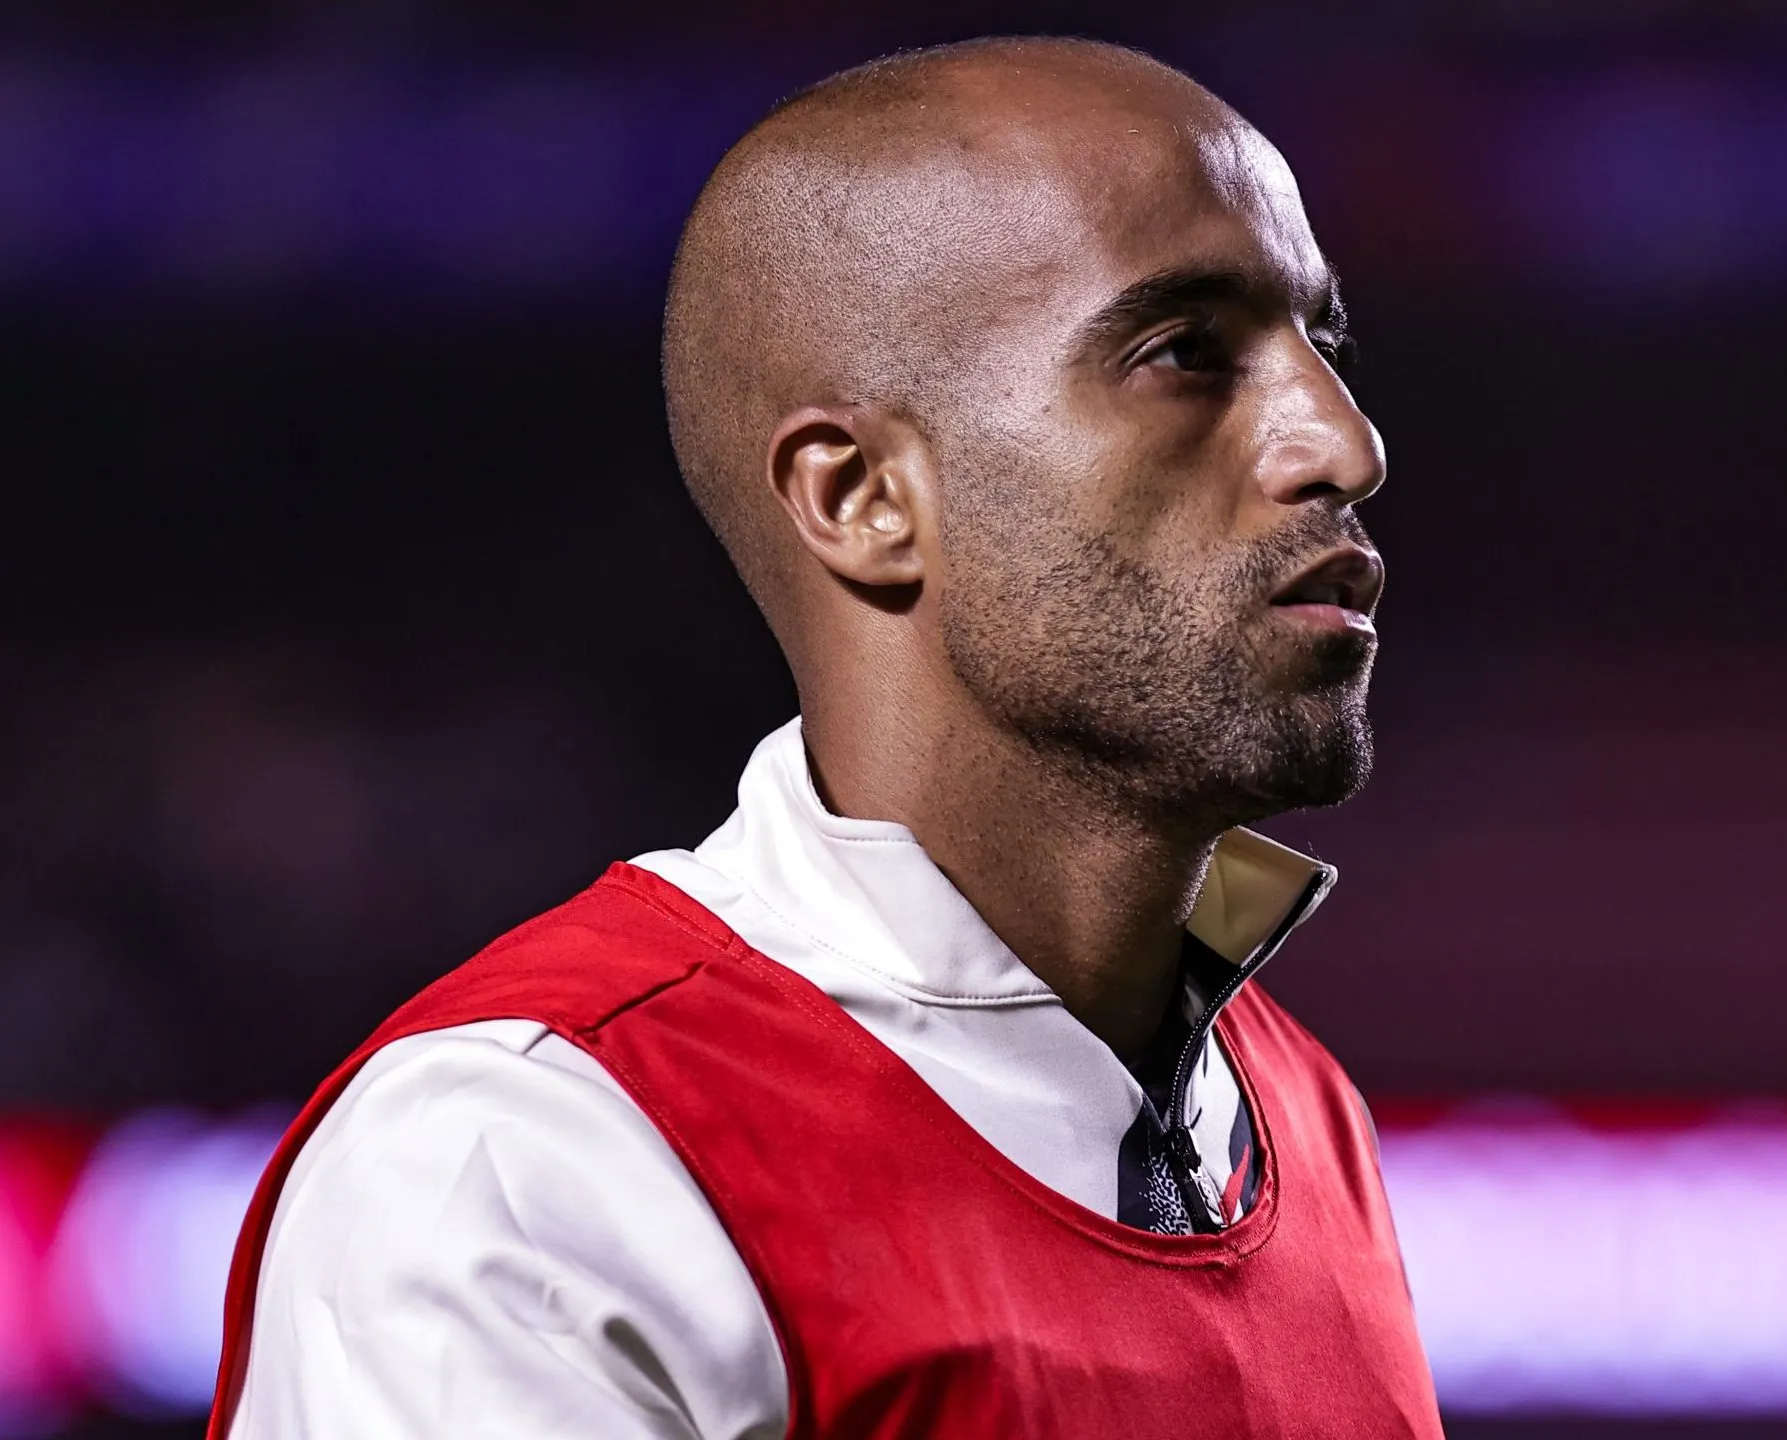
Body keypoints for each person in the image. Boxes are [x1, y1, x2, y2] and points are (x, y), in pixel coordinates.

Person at [211, 34, 1438, 1439]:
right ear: (861, 498)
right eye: (1183, 354)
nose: (1343, 444)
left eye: (1320, 346)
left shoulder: (1301, 1113)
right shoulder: (526, 1166)